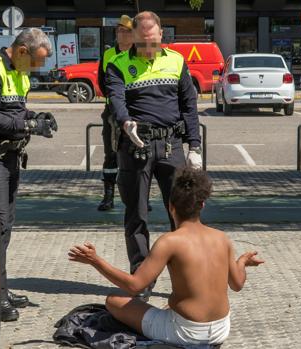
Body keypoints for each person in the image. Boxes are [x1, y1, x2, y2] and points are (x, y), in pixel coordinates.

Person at [69, 168, 264, 347]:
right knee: (169, 304)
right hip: (221, 330)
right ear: (202, 205)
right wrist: (242, 262)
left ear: (171, 207)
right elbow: (237, 284)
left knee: (114, 300)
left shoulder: (169, 241)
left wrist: (95, 260)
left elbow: (135, 285)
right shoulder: (222, 238)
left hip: (187, 332)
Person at [104, 11, 202, 300]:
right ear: (134, 37)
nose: (148, 49)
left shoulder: (176, 61)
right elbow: (117, 100)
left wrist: (194, 146)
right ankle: (141, 277)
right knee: (136, 213)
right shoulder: (118, 64)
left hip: (171, 145)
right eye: (142, 43)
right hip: (136, 146)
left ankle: (184, 275)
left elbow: (189, 106)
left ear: (161, 35)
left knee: (183, 213)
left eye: (153, 43)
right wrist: (125, 123)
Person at [0, 28, 58, 322]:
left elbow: (14, 111)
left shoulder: (18, 73)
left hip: (10, 159)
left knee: (3, 231)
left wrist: (34, 117)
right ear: (21, 51)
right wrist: (29, 127)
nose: (37, 68)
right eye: (36, 61)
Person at [96, 15, 134, 211]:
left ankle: (138, 197)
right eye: (118, 30)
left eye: (125, 30)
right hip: (112, 111)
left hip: (136, 109)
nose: (120, 34)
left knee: (137, 155)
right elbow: (102, 82)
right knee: (110, 154)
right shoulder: (109, 54)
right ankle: (108, 196)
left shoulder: (139, 53)